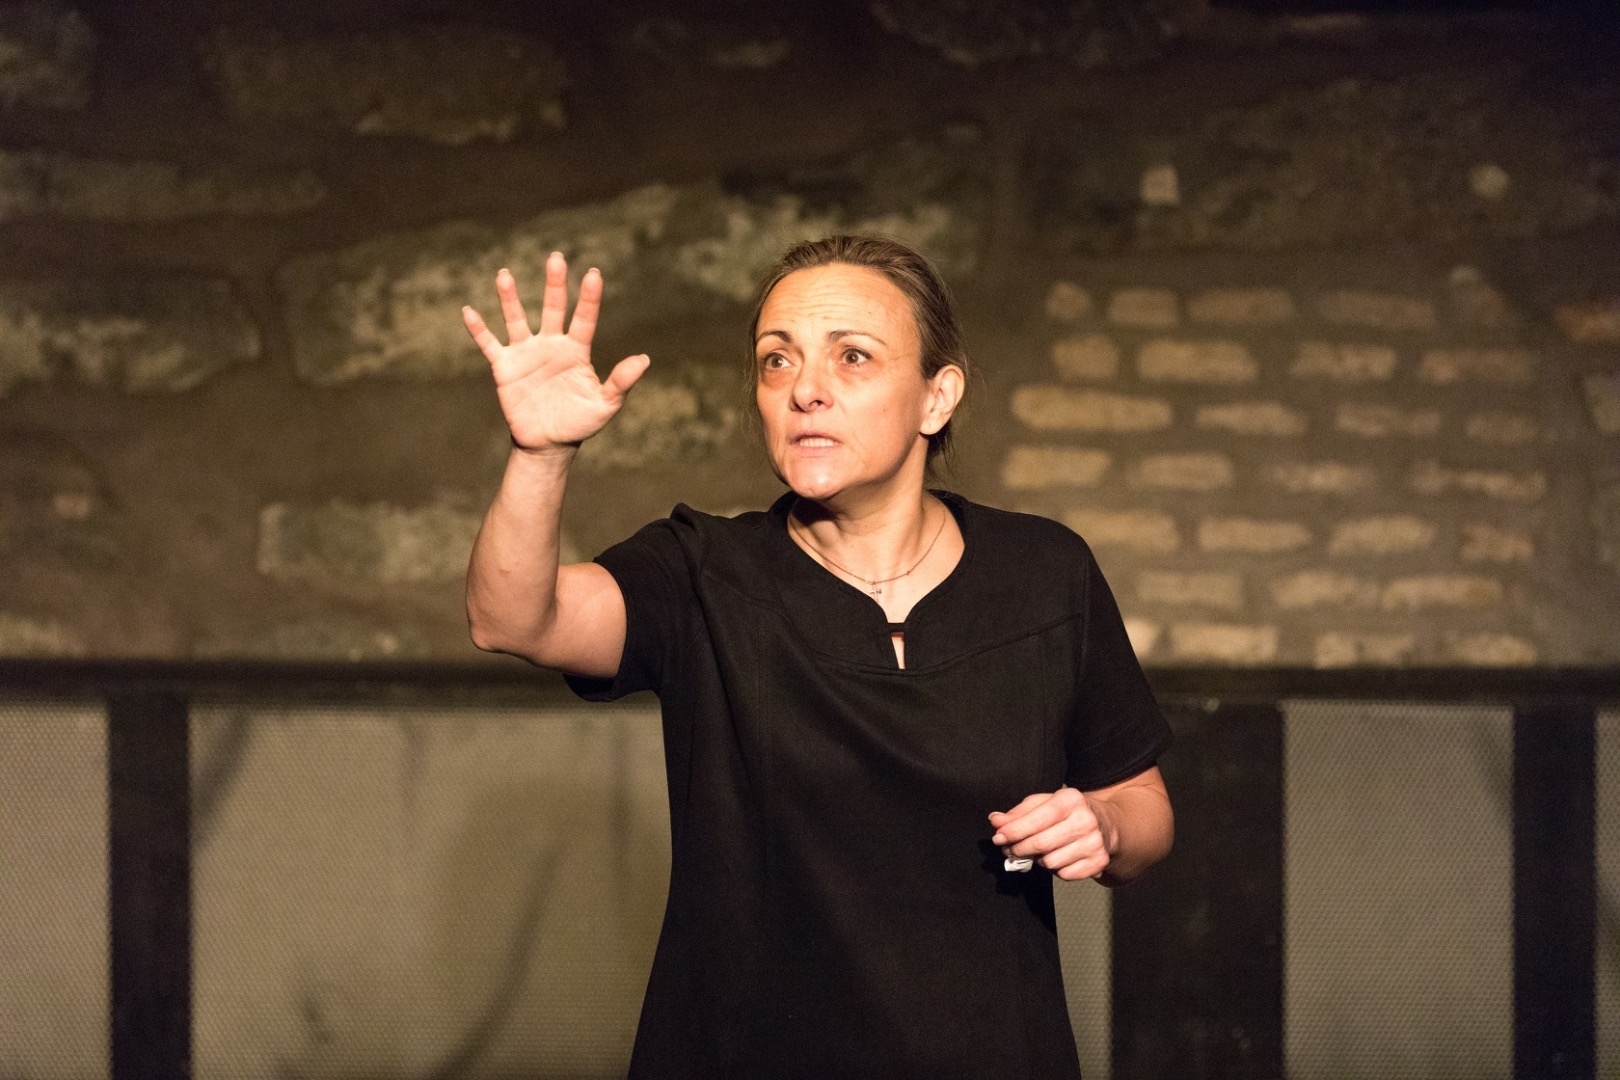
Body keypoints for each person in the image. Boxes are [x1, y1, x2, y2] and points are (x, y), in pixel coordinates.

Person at [462, 235, 1173, 1080]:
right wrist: (540, 455)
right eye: (777, 360)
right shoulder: (704, 573)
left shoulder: (1042, 573)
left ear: (936, 397)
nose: (805, 389)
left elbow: (1141, 806)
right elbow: (512, 619)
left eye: (852, 356)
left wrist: (1102, 826)